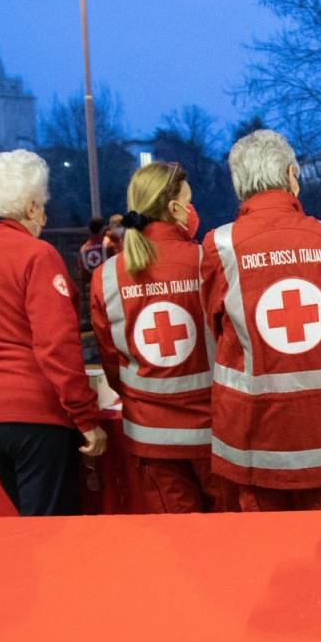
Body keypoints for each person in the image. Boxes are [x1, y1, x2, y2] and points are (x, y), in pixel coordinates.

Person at [200, 129, 321, 511]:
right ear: (293, 175)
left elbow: (216, 329)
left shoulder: (219, 246)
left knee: (263, 554)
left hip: (254, 435)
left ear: (239, 185)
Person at [0, 150, 107, 515]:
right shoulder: (36, 255)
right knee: (52, 532)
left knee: (27, 530)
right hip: (37, 416)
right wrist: (85, 418)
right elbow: (57, 346)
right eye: (43, 205)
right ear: (31, 207)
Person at [90, 162, 222, 513]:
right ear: (174, 207)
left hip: (150, 435)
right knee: (228, 538)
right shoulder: (205, 262)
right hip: (214, 430)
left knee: (176, 540)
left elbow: (110, 360)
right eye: (189, 201)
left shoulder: (107, 275)